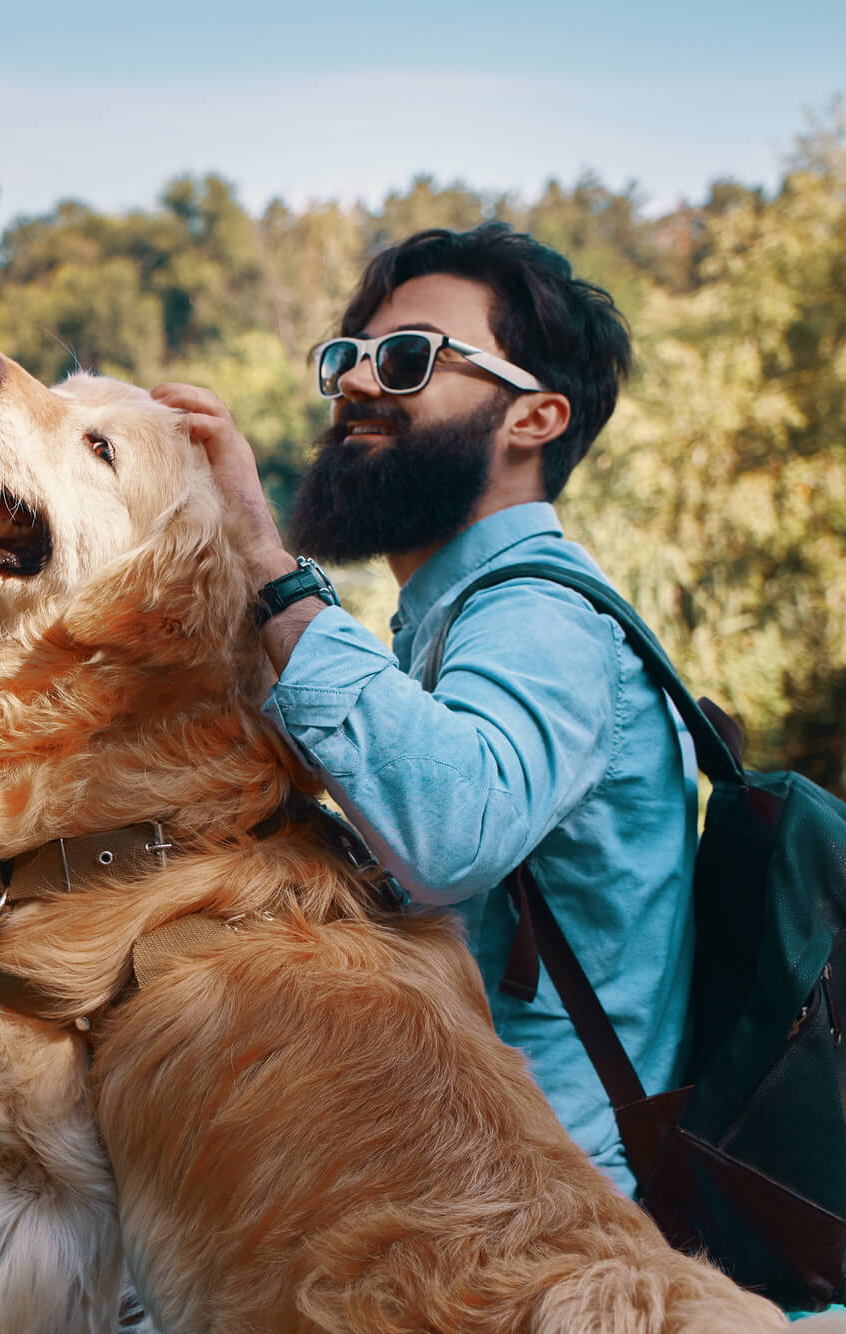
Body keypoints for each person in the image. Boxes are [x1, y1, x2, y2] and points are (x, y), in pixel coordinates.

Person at [153, 222, 689, 1196]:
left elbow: (447, 831)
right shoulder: (453, 619)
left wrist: (268, 568)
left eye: (406, 360)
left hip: (544, 1209)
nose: (356, 383)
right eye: (346, 358)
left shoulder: (539, 617)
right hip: (468, 1174)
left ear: (532, 418)